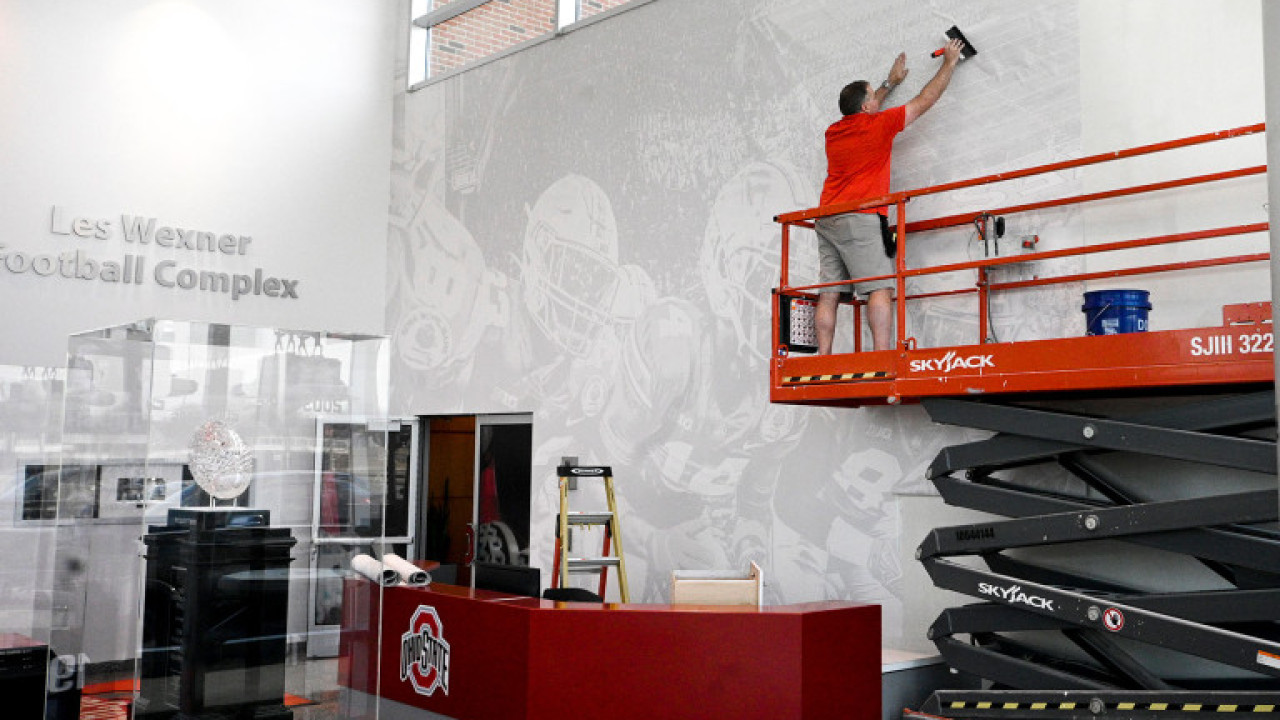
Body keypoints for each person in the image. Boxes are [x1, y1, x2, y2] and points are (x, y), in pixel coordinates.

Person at [815, 38, 964, 354]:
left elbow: (866, 109)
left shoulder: (834, 132)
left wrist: (887, 83)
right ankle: (883, 357)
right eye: (873, 95)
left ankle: (822, 358)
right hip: (864, 218)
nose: (876, 99)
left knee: (829, 292)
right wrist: (948, 63)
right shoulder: (878, 127)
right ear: (868, 107)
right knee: (879, 288)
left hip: (827, 218)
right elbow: (924, 100)